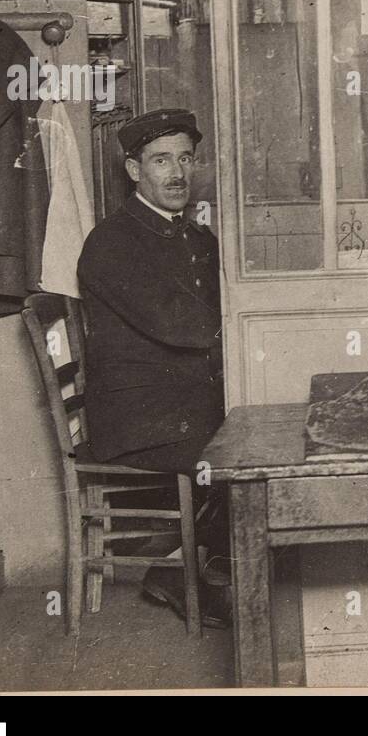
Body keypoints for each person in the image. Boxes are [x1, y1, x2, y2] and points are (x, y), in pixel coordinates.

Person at [76, 108, 229, 627]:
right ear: (134, 170)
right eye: (161, 160)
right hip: (136, 418)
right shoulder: (113, 243)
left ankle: (190, 568)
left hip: (179, 403)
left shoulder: (190, 235)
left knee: (254, 440)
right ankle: (190, 572)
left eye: (185, 158)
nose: (177, 173)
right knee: (242, 458)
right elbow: (182, 326)